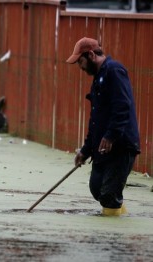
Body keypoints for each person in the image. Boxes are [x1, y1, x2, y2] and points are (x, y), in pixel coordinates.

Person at [66, 37, 140, 216]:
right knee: (96, 187)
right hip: (102, 147)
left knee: (108, 194)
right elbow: (95, 119)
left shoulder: (114, 71)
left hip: (120, 145)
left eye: (81, 62)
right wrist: (85, 150)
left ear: (91, 54)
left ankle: (113, 238)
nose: (80, 67)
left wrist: (110, 136)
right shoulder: (98, 78)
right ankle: (119, 213)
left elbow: (122, 106)